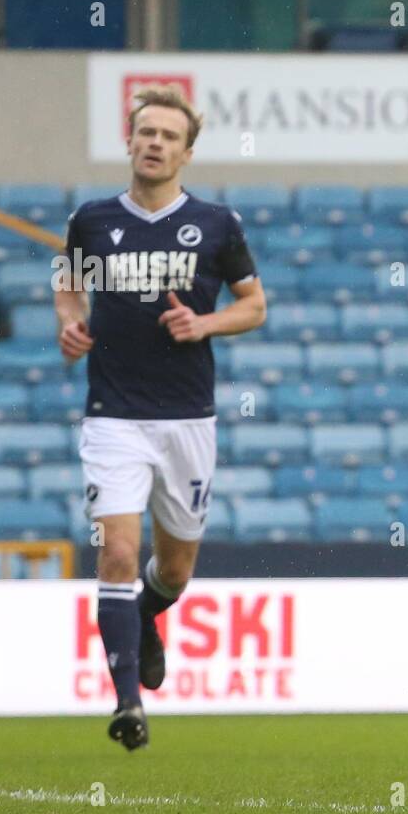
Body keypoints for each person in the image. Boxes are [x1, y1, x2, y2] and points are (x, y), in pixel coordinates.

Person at [54, 86, 267, 750]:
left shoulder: (217, 225)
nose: (155, 143)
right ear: (130, 140)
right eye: (146, 132)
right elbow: (68, 284)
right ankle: (127, 705)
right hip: (112, 415)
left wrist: (204, 322)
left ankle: (147, 615)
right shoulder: (91, 221)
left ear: (187, 150)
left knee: (173, 571)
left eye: (169, 136)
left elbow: (255, 306)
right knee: (117, 553)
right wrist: (70, 323)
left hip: (187, 420)